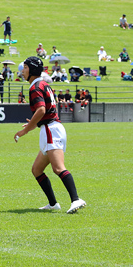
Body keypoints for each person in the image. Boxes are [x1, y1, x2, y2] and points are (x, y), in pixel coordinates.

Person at [14, 56, 87, 214]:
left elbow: (41, 110)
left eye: (25, 67)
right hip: (51, 128)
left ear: (32, 69)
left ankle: (76, 199)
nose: (22, 70)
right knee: (37, 169)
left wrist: (25, 131)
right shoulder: (43, 84)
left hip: (50, 130)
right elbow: (46, 110)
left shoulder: (35, 87)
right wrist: (34, 123)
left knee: (58, 168)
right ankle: (53, 204)